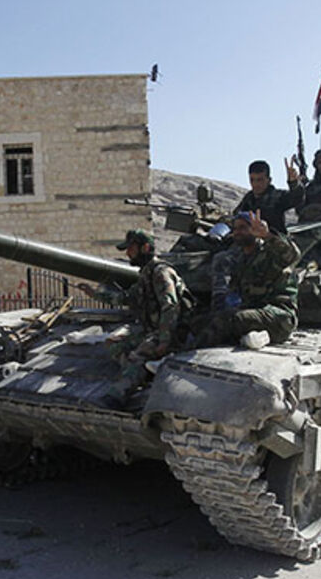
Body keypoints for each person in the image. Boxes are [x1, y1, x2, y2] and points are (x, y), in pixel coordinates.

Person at [76, 229, 192, 404]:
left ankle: (117, 395)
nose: (128, 253)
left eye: (131, 248)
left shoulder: (161, 272)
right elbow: (126, 298)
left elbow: (171, 306)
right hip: (153, 331)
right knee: (113, 343)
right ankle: (141, 373)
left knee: (137, 355)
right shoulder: (146, 274)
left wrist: (164, 339)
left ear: (145, 248)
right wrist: (94, 294)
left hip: (173, 332)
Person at [194, 211, 300, 348]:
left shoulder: (270, 253)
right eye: (235, 228)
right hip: (252, 312)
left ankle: (194, 351)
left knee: (229, 319)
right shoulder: (240, 259)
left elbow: (293, 255)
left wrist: (267, 235)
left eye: (243, 227)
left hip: (279, 318)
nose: (238, 232)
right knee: (200, 320)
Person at [232, 160, 304, 235]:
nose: (255, 184)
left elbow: (296, 199)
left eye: (260, 180)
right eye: (252, 180)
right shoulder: (249, 198)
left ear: (269, 180)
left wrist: (294, 183)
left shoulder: (276, 196)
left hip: (274, 241)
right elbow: (237, 215)